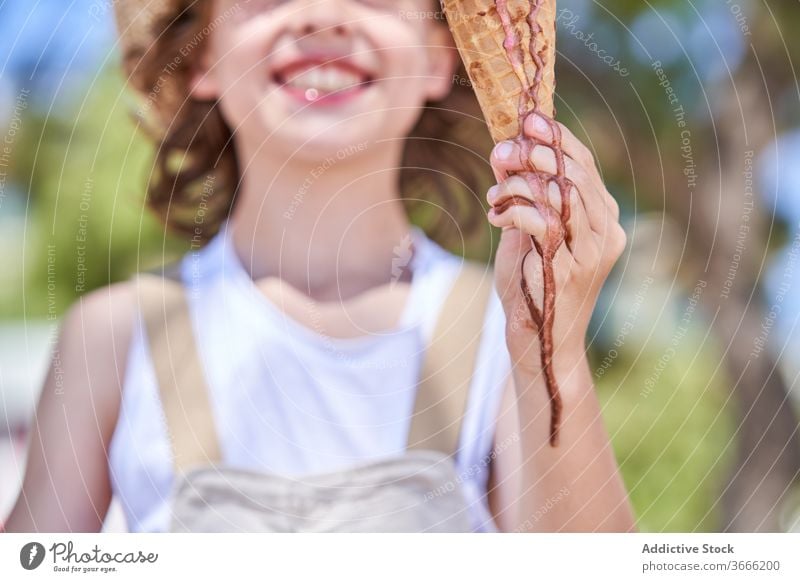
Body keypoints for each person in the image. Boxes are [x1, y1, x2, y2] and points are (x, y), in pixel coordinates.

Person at [4, 0, 634, 533]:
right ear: (200, 54)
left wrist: (550, 354)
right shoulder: (113, 337)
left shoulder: (501, 326)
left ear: (444, 57)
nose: (324, 16)